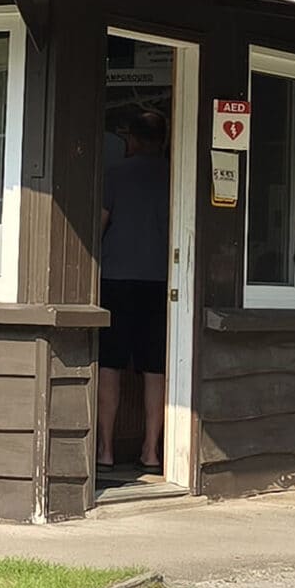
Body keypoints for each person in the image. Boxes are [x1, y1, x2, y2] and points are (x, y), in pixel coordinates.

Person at [98, 108, 171, 474]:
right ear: (164, 141)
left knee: (110, 365)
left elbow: (99, 223)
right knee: (155, 369)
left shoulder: (115, 175)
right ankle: (151, 451)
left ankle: (106, 450)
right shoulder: (176, 177)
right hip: (161, 283)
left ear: (133, 139)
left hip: (115, 278)